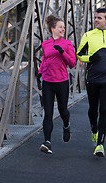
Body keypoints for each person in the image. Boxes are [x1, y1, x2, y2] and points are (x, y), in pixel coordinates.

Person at [76, 8, 106, 157]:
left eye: (99, 18)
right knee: (93, 109)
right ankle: (94, 130)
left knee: (104, 110)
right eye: (95, 17)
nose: (96, 20)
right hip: (92, 78)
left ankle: (100, 145)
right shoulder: (88, 35)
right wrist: (90, 58)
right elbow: (79, 54)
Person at [38, 15, 77, 154]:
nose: (63, 29)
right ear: (52, 29)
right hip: (48, 82)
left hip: (61, 81)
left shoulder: (67, 44)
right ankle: (47, 142)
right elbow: (45, 59)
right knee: (48, 113)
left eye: (64, 27)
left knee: (63, 110)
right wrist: (40, 71)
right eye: (60, 27)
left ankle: (66, 125)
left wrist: (62, 52)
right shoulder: (45, 44)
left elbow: (72, 63)